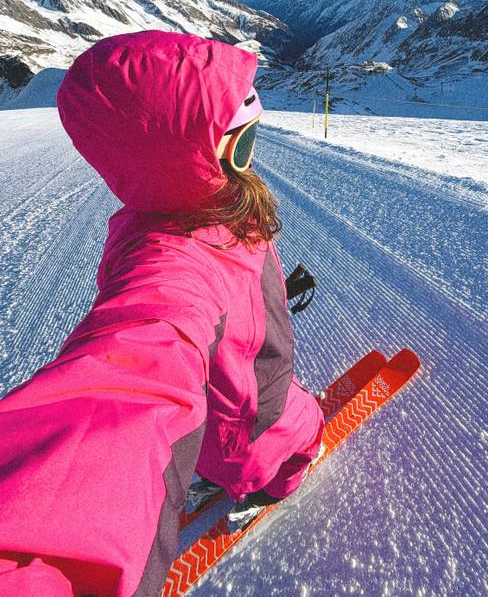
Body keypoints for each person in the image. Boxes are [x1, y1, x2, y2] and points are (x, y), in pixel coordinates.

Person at [0, 31, 325, 596]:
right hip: (250, 416)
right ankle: (267, 486)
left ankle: (214, 470)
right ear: (194, 153)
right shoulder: (173, 263)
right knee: (295, 439)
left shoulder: (181, 212)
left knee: (234, 433)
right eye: (242, 144)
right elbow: (129, 374)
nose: (250, 161)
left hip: (225, 400)